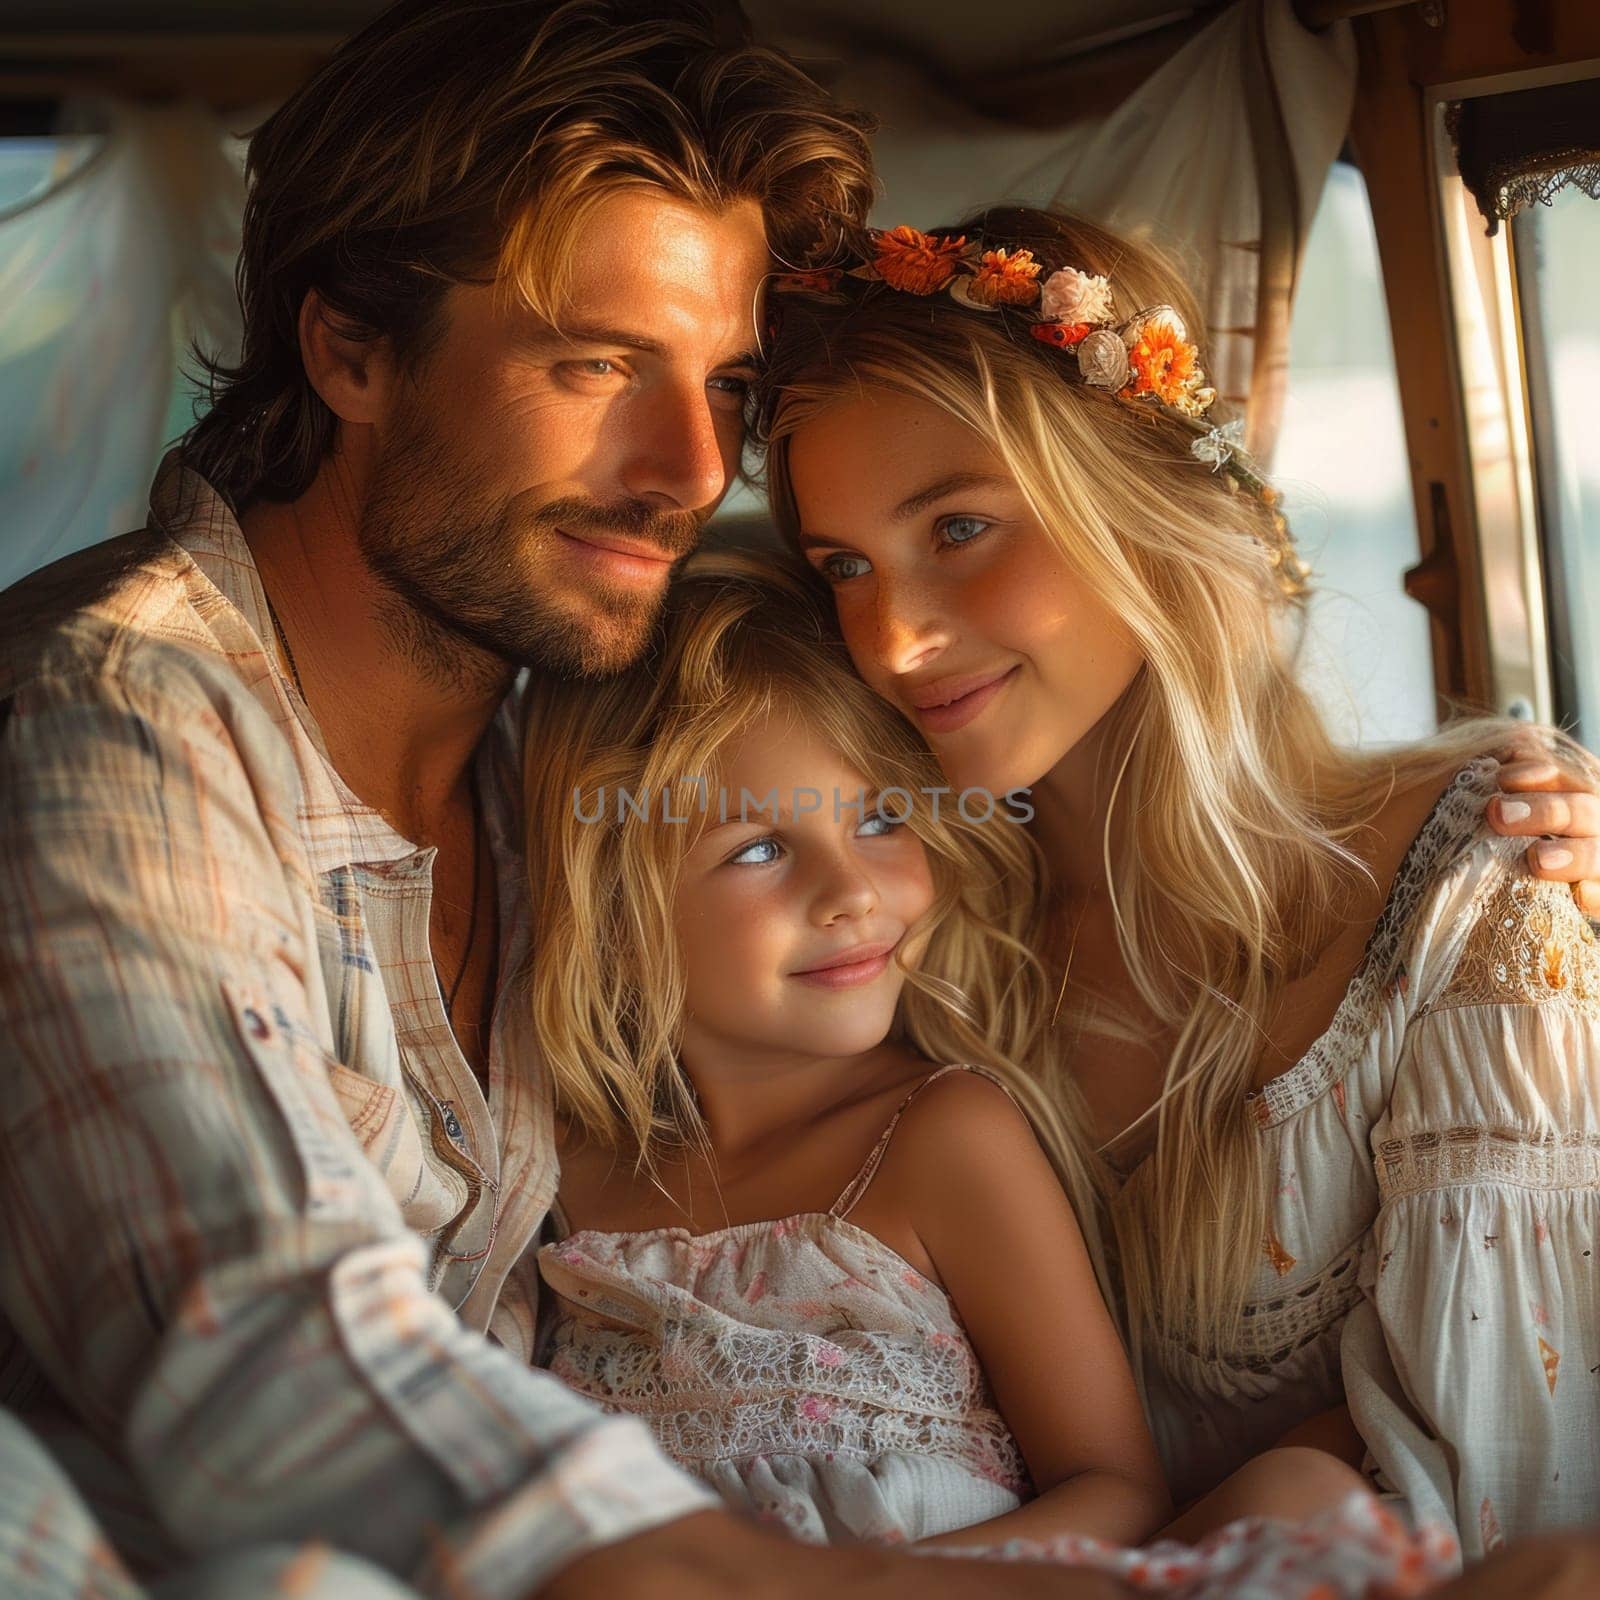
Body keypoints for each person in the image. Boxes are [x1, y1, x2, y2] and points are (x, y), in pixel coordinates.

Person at [0, 0, 1591, 1594]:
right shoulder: (114, 728)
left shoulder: (552, 745)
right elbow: (255, 1344)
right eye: (597, 363)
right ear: (346, 345)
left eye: (727, 385)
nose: (691, 469)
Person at [754, 204, 1600, 1558]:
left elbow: (1509, 1500)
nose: (894, 640)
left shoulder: (1472, 877)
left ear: (1140, 511)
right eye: (842, 568)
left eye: (960, 527)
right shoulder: (896, 936)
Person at [522, 549, 1461, 1598]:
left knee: (1294, 1494)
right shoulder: (566, 1172)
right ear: (611, 902)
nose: (850, 893)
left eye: (880, 818)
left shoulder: (938, 1135)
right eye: (758, 850)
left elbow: (1111, 1486)